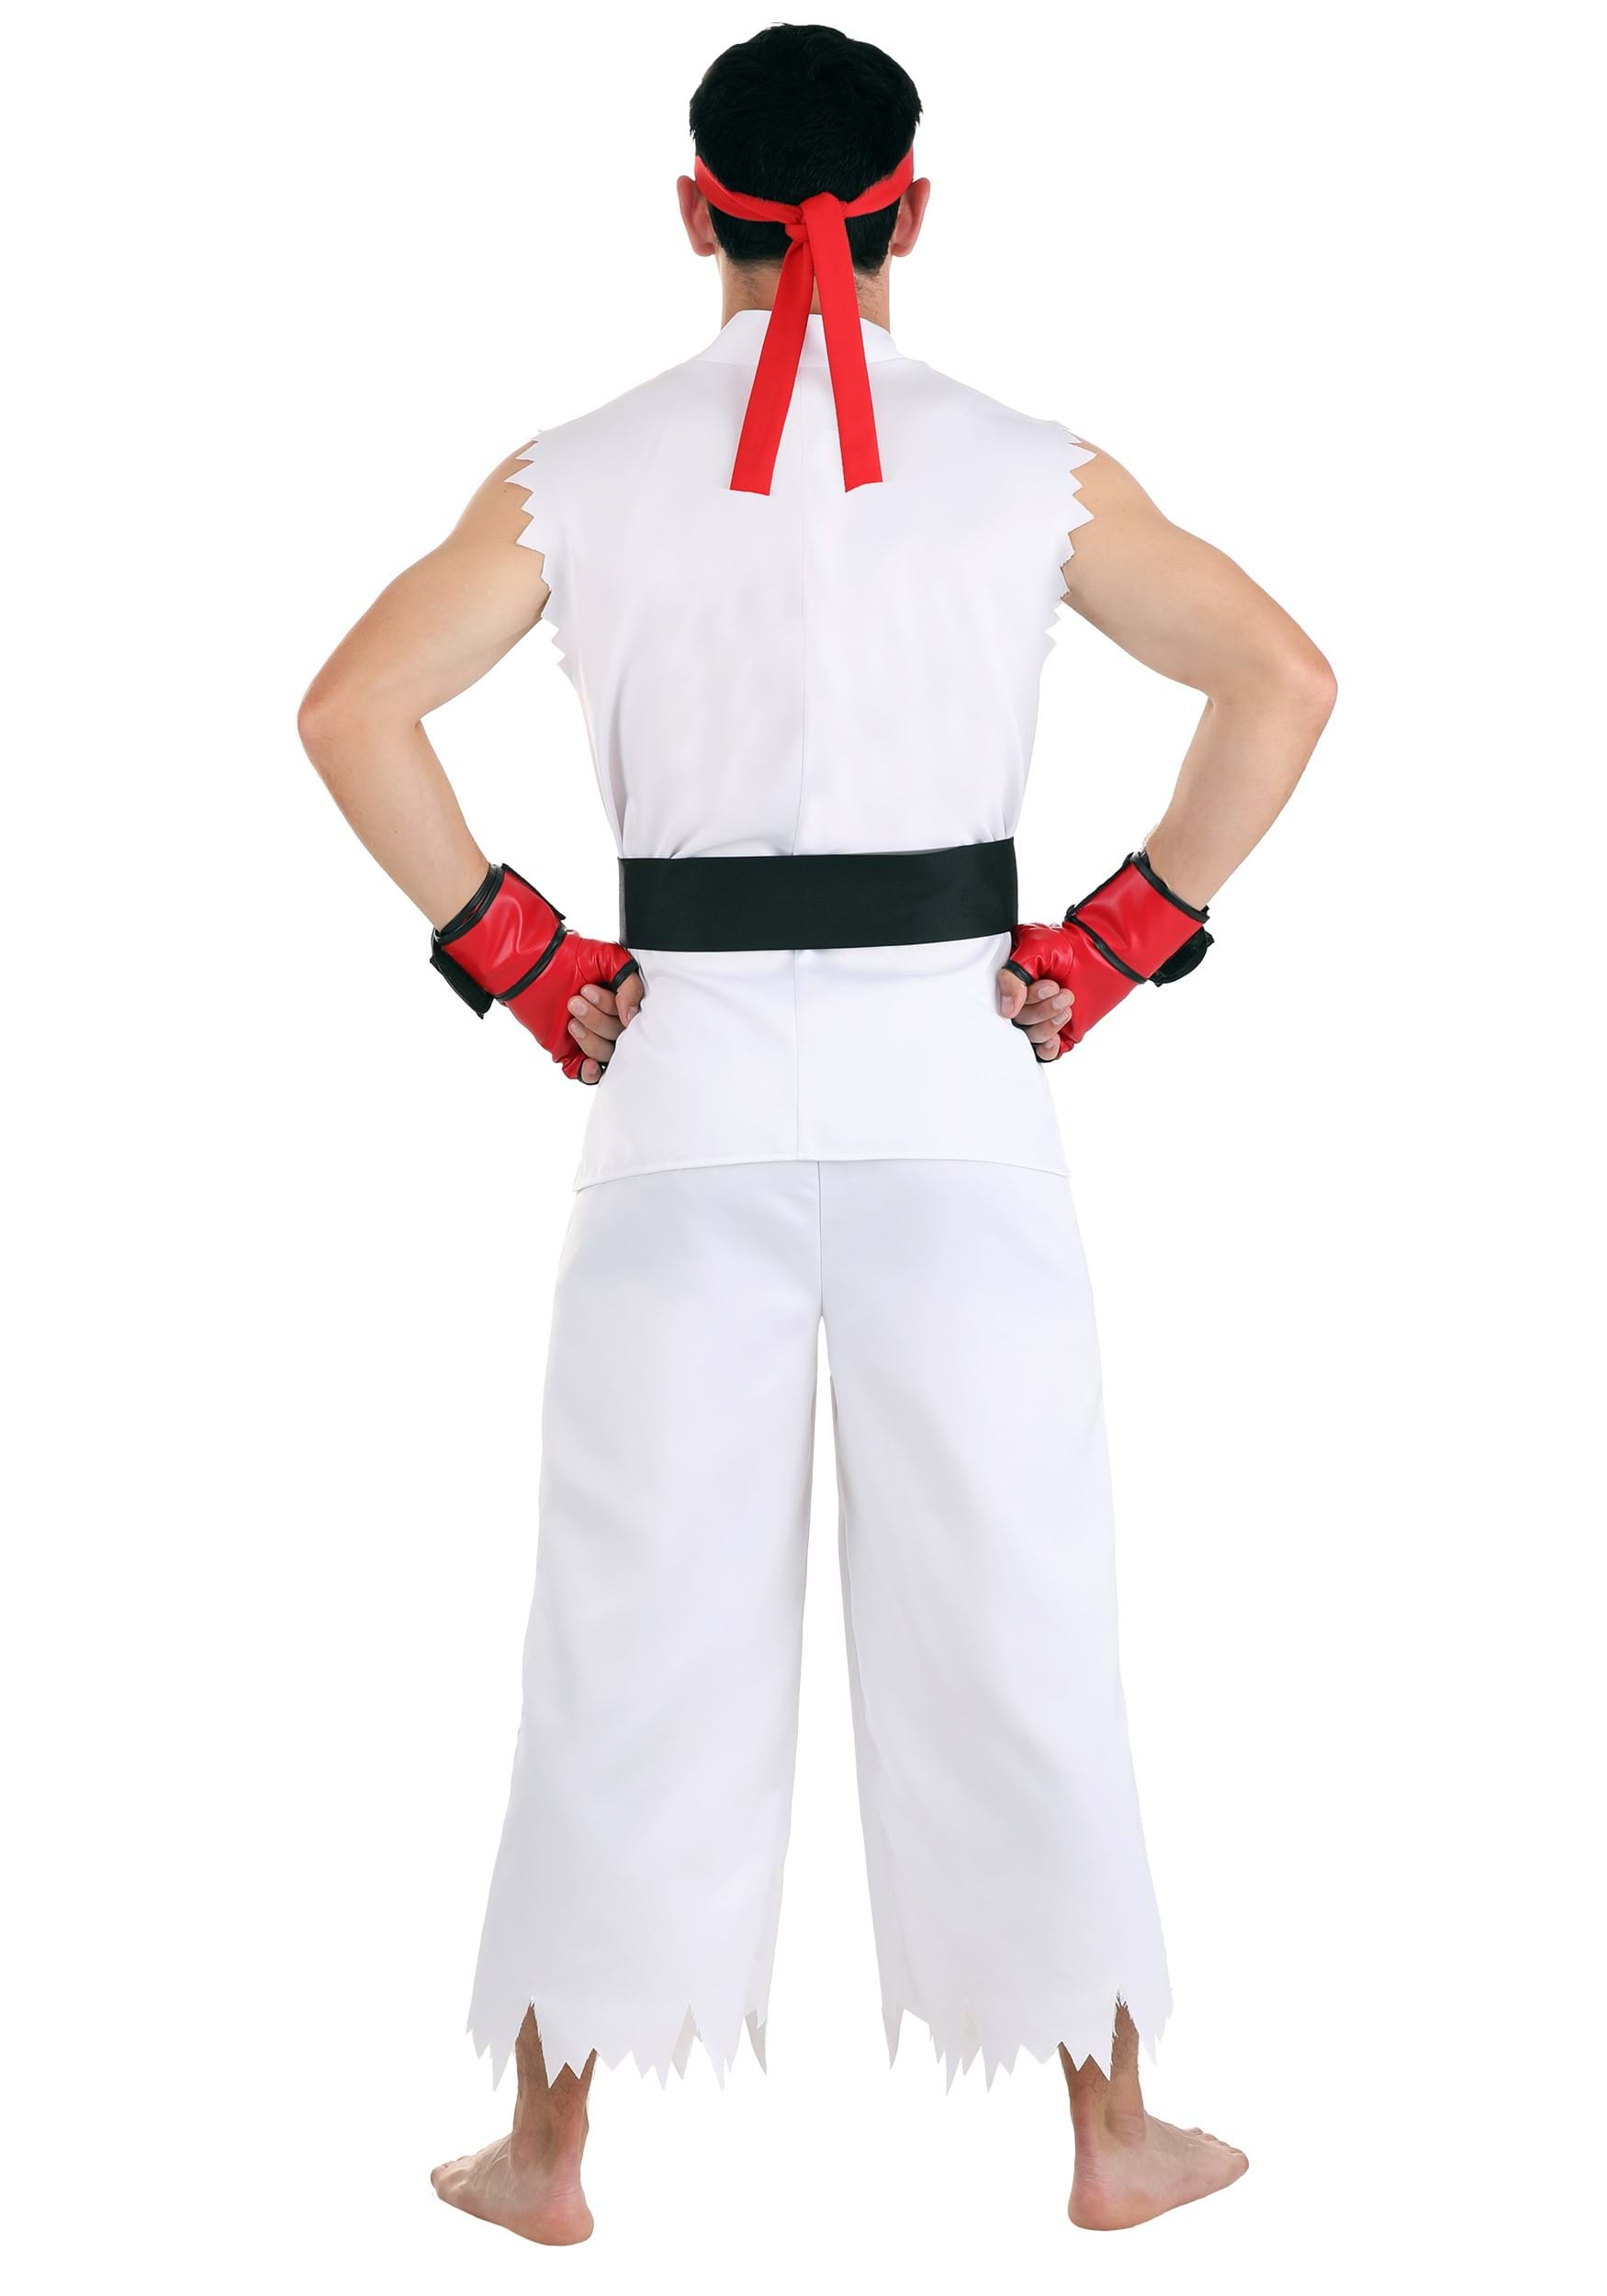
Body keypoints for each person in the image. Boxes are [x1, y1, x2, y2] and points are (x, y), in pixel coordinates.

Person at [298, 22, 1333, 2243]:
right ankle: (1111, 2130)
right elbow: (1282, 679)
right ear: (911, 212)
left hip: (671, 1100)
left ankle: (545, 2149)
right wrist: (1123, 933)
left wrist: (517, 953)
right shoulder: (1037, 473)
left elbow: (351, 707)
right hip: (956, 1089)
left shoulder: (568, 476)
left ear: (693, 212)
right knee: (1018, 1601)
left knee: (624, 1624)